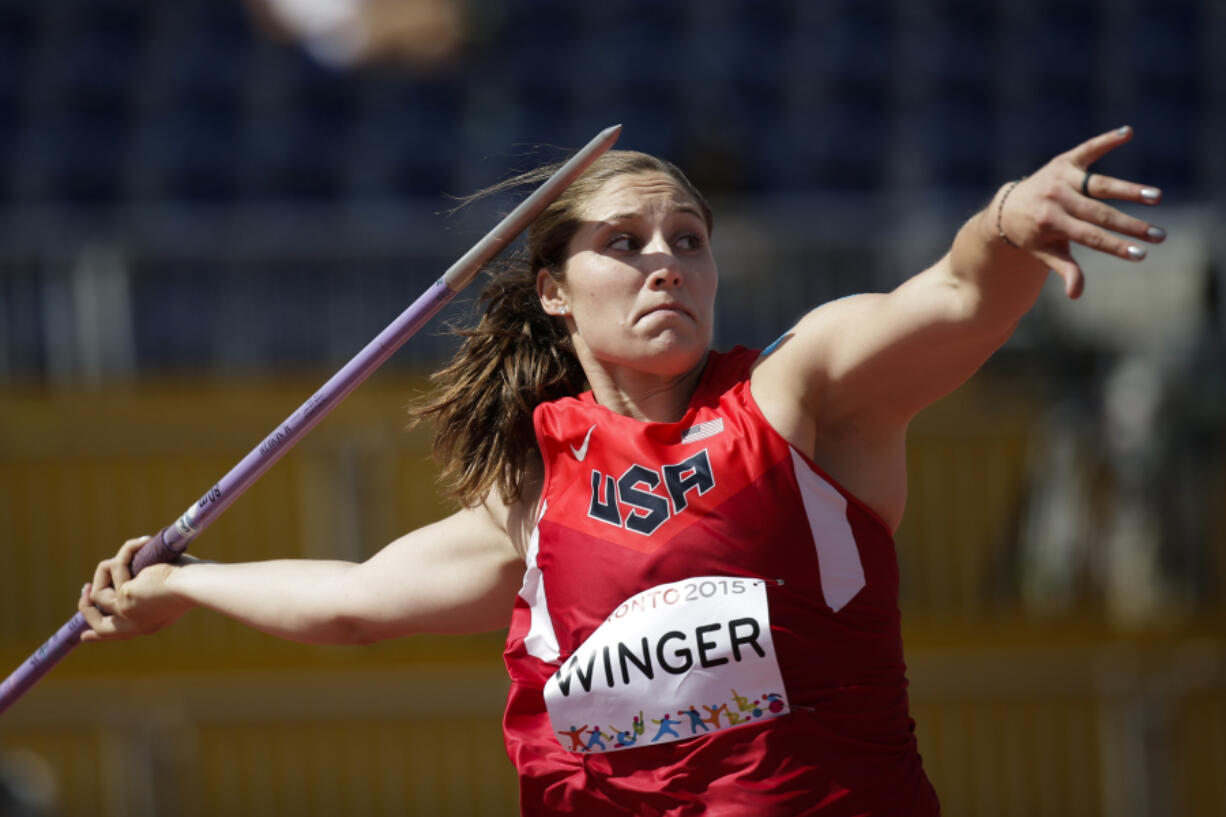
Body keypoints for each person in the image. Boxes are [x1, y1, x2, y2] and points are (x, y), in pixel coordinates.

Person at [78, 126, 1165, 816]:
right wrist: (182, 583)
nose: (664, 260)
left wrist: (1003, 226)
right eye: (625, 241)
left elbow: (953, 301)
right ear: (555, 289)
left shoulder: (800, 398)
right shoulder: (537, 500)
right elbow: (356, 601)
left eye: (687, 239)